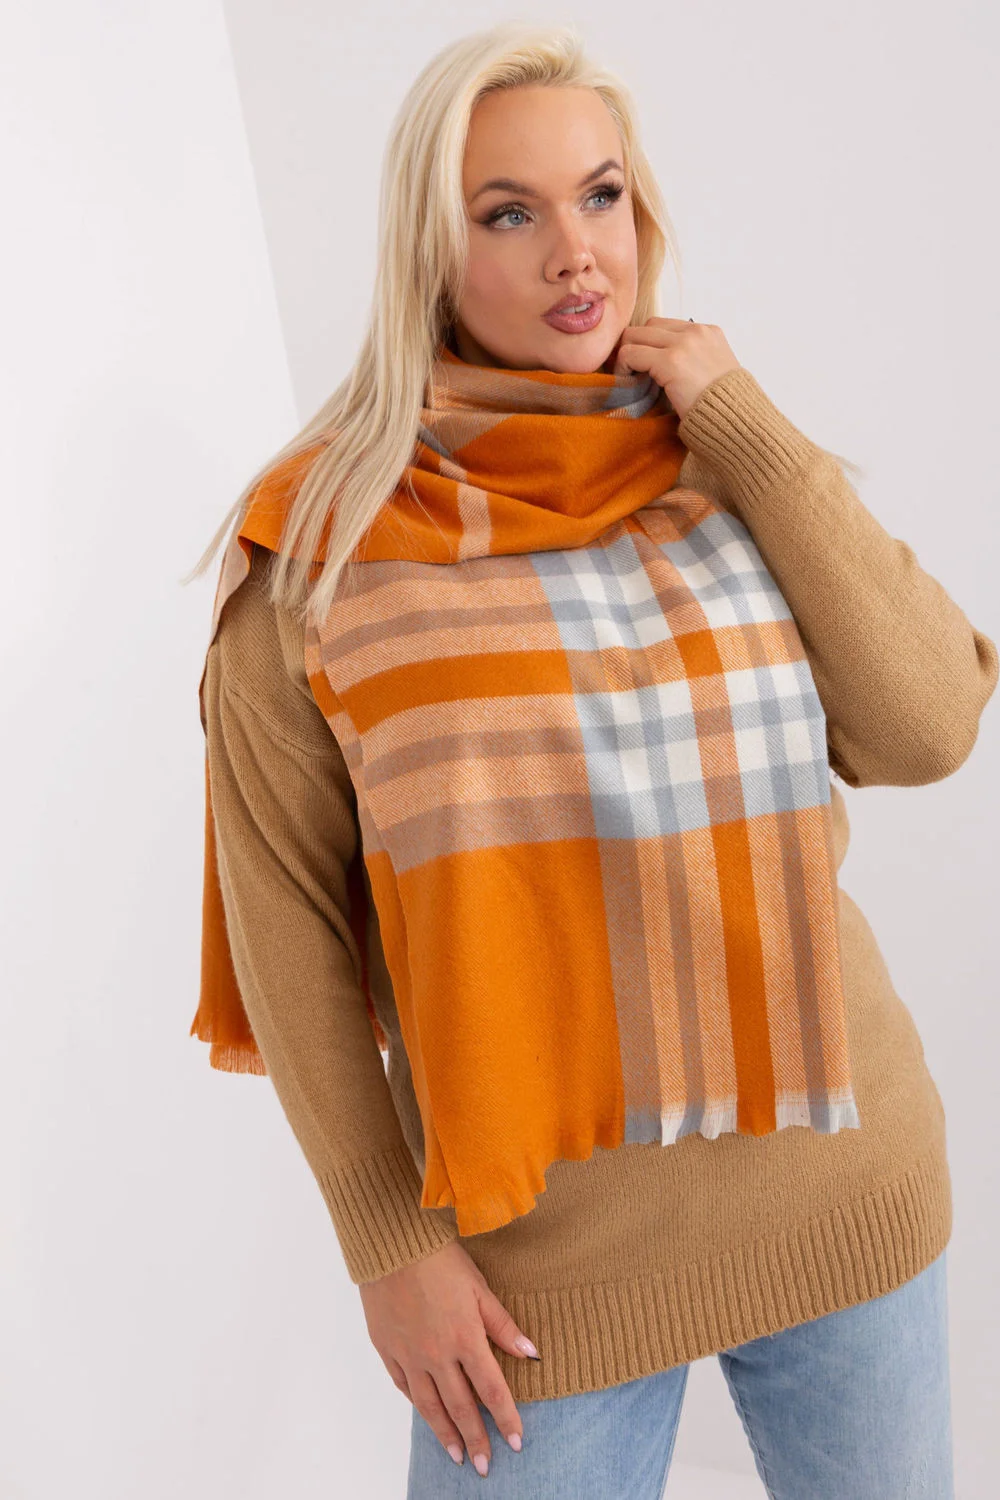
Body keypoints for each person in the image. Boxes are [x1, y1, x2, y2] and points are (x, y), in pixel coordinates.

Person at [185, 22, 997, 1499]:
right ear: (430, 253)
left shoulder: (723, 464)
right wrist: (386, 1245)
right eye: (510, 212)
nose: (577, 252)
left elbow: (931, 724)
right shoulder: (323, 552)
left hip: (844, 1196)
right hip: (531, 1281)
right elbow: (286, 926)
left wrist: (749, 425)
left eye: (602, 195)